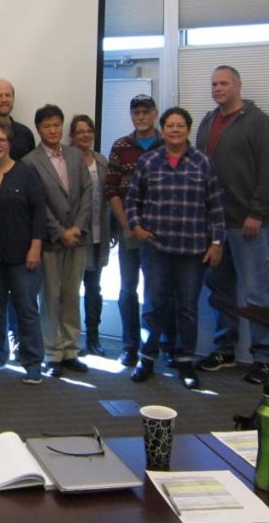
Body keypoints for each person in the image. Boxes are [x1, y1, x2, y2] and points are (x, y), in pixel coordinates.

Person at [196, 66, 269, 385]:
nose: (218, 88)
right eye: (214, 84)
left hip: (248, 224)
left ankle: (264, 358)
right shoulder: (207, 122)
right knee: (220, 290)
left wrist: (257, 212)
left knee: (257, 293)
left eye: (224, 83)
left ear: (238, 86)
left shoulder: (259, 122)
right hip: (214, 226)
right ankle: (225, 349)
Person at [126, 107, 225, 390]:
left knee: (188, 309)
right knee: (153, 305)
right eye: (170, 125)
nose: (175, 130)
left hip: (192, 250)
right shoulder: (149, 161)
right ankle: (146, 359)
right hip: (157, 248)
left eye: (180, 125)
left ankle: (185, 362)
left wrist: (217, 243)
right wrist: (136, 226)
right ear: (163, 129)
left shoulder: (203, 162)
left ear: (188, 130)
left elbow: (216, 206)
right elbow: (133, 200)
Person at [22, 105, 91, 377]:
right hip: (51, 240)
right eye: (46, 126)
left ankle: (71, 350)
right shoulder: (30, 161)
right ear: (38, 129)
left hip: (78, 238)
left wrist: (77, 228)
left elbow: (87, 193)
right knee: (50, 297)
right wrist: (60, 231)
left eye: (56, 125)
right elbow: (37, 204)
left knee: (72, 294)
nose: (52, 130)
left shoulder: (75, 155)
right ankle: (52, 352)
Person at [0, 121, 47, 385]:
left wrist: (36, 246)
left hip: (22, 255)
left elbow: (39, 211)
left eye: (2, 140)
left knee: (26, 309)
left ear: (10, 144)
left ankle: (32, 361)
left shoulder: (26, 173)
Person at [103, 94, 164, 368]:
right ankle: (129, 345)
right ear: (131, 116)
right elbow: (111, 189)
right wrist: (126, 224)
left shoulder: (168, 143)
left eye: (146, 112)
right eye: (136, 112)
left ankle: (153, 347)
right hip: (129, 232)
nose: (141, 117)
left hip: (159, 234)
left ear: (155, 114)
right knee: (128, 289)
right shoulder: (121, 145)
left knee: (156, 292)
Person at [69, 114, 111, 357]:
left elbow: (109, 198)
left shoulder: (101, 161)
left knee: (94, 288)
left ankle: (93, 337)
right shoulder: (67, 161)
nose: (85, 135)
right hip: (75, 237)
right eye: (80, 131)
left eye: (89, 130)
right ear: (72, 136)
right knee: (71, 290)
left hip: (98, 235)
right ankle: (70, 339)